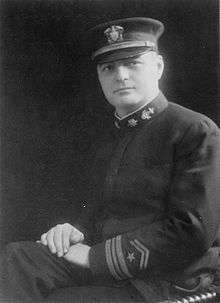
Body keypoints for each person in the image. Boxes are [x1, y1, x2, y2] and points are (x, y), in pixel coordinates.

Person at [1, 17, 220, 303]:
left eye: (132, 64)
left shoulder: (194, 130)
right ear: (100, 77)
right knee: (18, 259)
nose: (121, 76)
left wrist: (95, 257)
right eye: (109, 68)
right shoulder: (108, 134)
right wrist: (73, 230)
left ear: (158, 67)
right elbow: (101, 209)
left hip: (166, 277)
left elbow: (192, 230)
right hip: (107, 264)